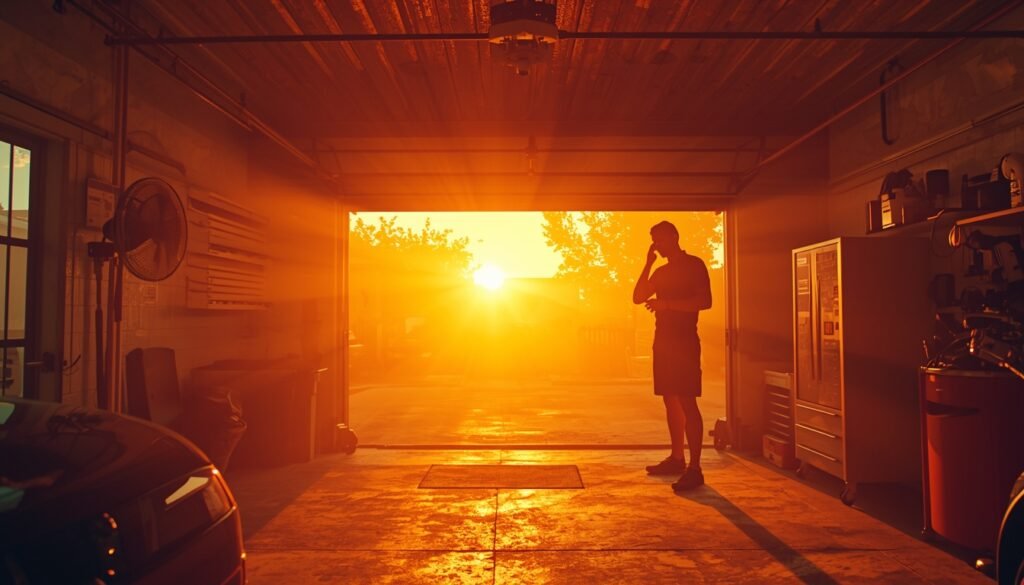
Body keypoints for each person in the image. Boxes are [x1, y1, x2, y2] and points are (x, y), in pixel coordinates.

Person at [632, 221, 712, 491]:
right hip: (663, 342)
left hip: (685, 342)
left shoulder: (694, 265)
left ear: (675, 237)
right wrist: (647, 263)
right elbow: (638, 296)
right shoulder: (661, 271)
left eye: (661, 240)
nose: (658, 245)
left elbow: (704, 301)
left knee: (688, 401)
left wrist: (667, 304)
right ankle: (677, 458)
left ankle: (695, 468)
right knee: (670, 398)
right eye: (654, 241)